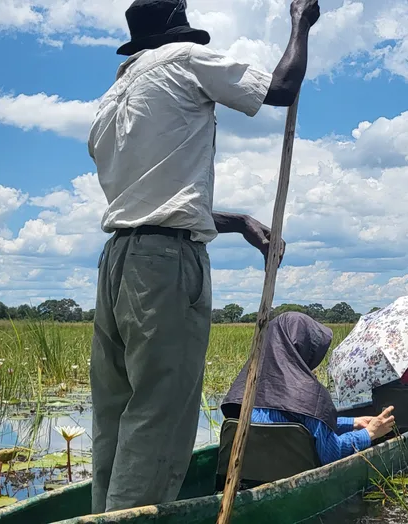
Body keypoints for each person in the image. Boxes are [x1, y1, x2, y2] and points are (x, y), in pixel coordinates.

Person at [87, 0, 321, 513]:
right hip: (165, 266)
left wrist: (235, 222)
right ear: (176, 29)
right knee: (159, 413)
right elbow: (280, 88)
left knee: (115, 411)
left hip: (118, 260)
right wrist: (299, 23)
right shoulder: (183, 59)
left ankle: (103, 510)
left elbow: (150, 199)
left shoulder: (112, 98)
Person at [221, 312, 397, 465]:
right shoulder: (307, 394)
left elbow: (301, 424)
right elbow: (331, 452)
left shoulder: (245, 387)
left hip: (250, 472)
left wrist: (352, 422)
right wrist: (369, 433)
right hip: (293, 471)